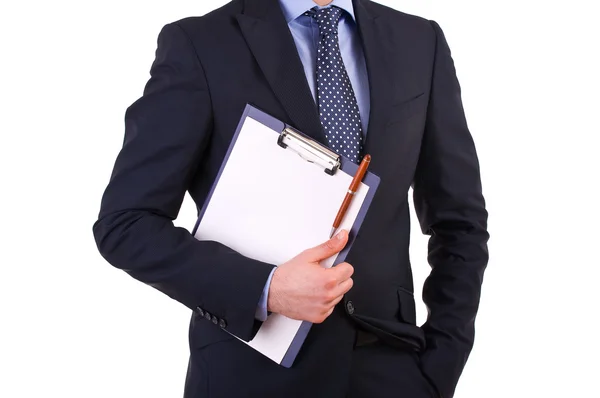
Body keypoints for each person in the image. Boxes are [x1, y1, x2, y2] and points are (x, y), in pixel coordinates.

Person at [92, 0, 489, 396]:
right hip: (249, 376)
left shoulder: (420, 41)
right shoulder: (200, 43)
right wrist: (266, 287)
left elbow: (460, 222)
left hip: (393, 373)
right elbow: (126, 223)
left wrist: (440, 367)